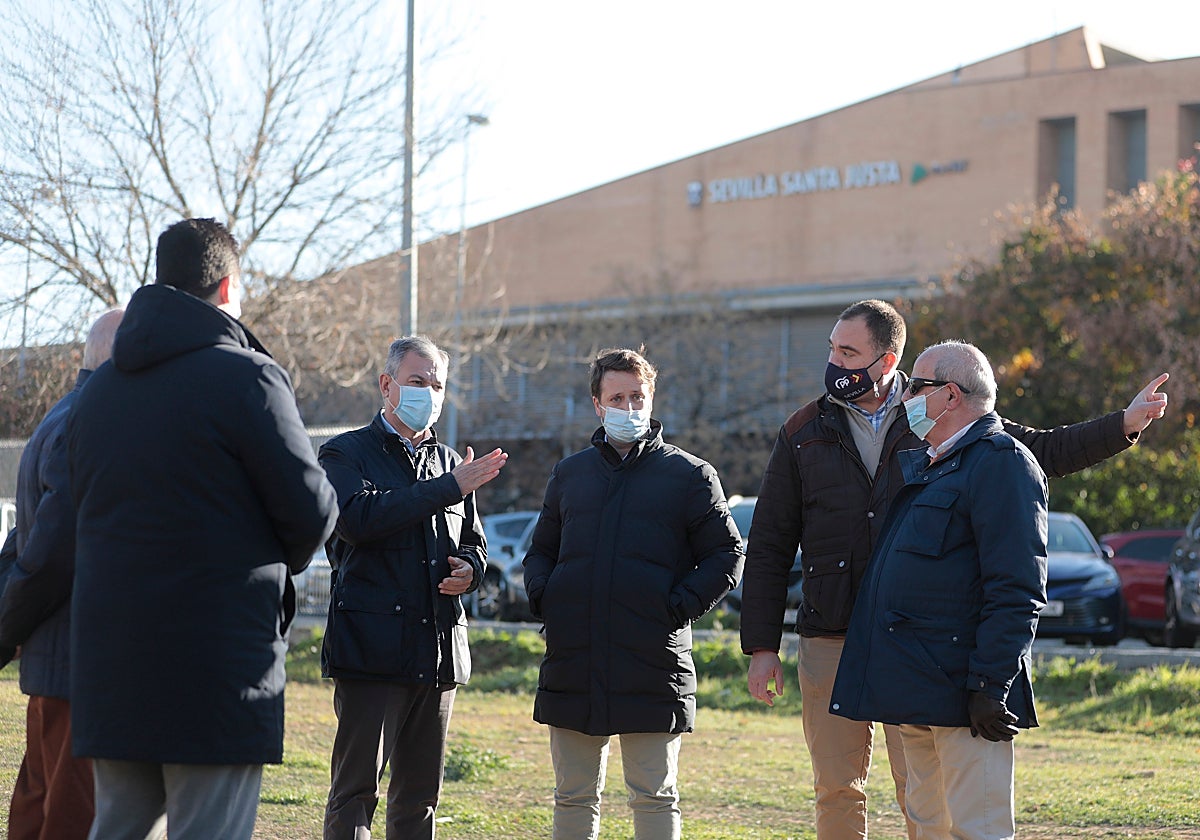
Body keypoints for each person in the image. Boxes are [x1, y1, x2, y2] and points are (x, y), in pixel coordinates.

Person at [740, 299, 1169, 840]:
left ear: (887, 360)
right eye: (832, 349)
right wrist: (762, 645)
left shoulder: (940, 412)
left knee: (921, 789)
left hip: (910, 639)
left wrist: (1123, 424)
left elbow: (1038, 450)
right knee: (837, 786)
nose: (834, 363)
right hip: (831, 627)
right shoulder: (804, 429)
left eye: (848, 352)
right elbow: (771, 541)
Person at [65, 218, 339, 839]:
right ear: (227, 287)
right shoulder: (248, 377)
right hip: (217, 667)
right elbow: (312, 513)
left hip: (114, 665)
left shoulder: (98, 392)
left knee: (117, 827)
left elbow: (84, 510)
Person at [522, 347, 745, 840]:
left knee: (654, 796)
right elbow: (540, 552)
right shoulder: (569, 474)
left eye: (637, 397)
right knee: (573, 795)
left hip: (654, 662)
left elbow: (727, 555)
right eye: (617, 398)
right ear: (597, 405)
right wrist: (547, 597)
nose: (628, 407)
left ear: (652, 398)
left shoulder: (690, 474)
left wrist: (674, 609)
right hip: (575, 659)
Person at [830, 340, 1048, 840]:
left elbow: (1017, 588)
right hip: (918, 689)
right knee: (929, 827)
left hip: (965, 695)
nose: (903, 395)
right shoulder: (934, 462)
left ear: (950, 395)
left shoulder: (1001, 463)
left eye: (914, 386)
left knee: (977, 828)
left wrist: (990, 684)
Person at [319, 335, 507, 840]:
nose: (429, 393)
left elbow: (474, 543)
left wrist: (471, 569)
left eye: (437, 385)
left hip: (437, 651)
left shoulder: (451, 462)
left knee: (420, 798)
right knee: (355, 794)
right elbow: (357, 520)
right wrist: (450, 487)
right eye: (417, 381)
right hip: (371, 652)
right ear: (387, 385)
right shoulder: (345, 453)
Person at [0, 309, 122, 840]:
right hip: (79, 666)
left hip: (54, 661)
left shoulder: (60, 415)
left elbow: (24, 540)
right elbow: (51, 551)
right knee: (70, 818)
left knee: (38, 810)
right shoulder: (94, 425)